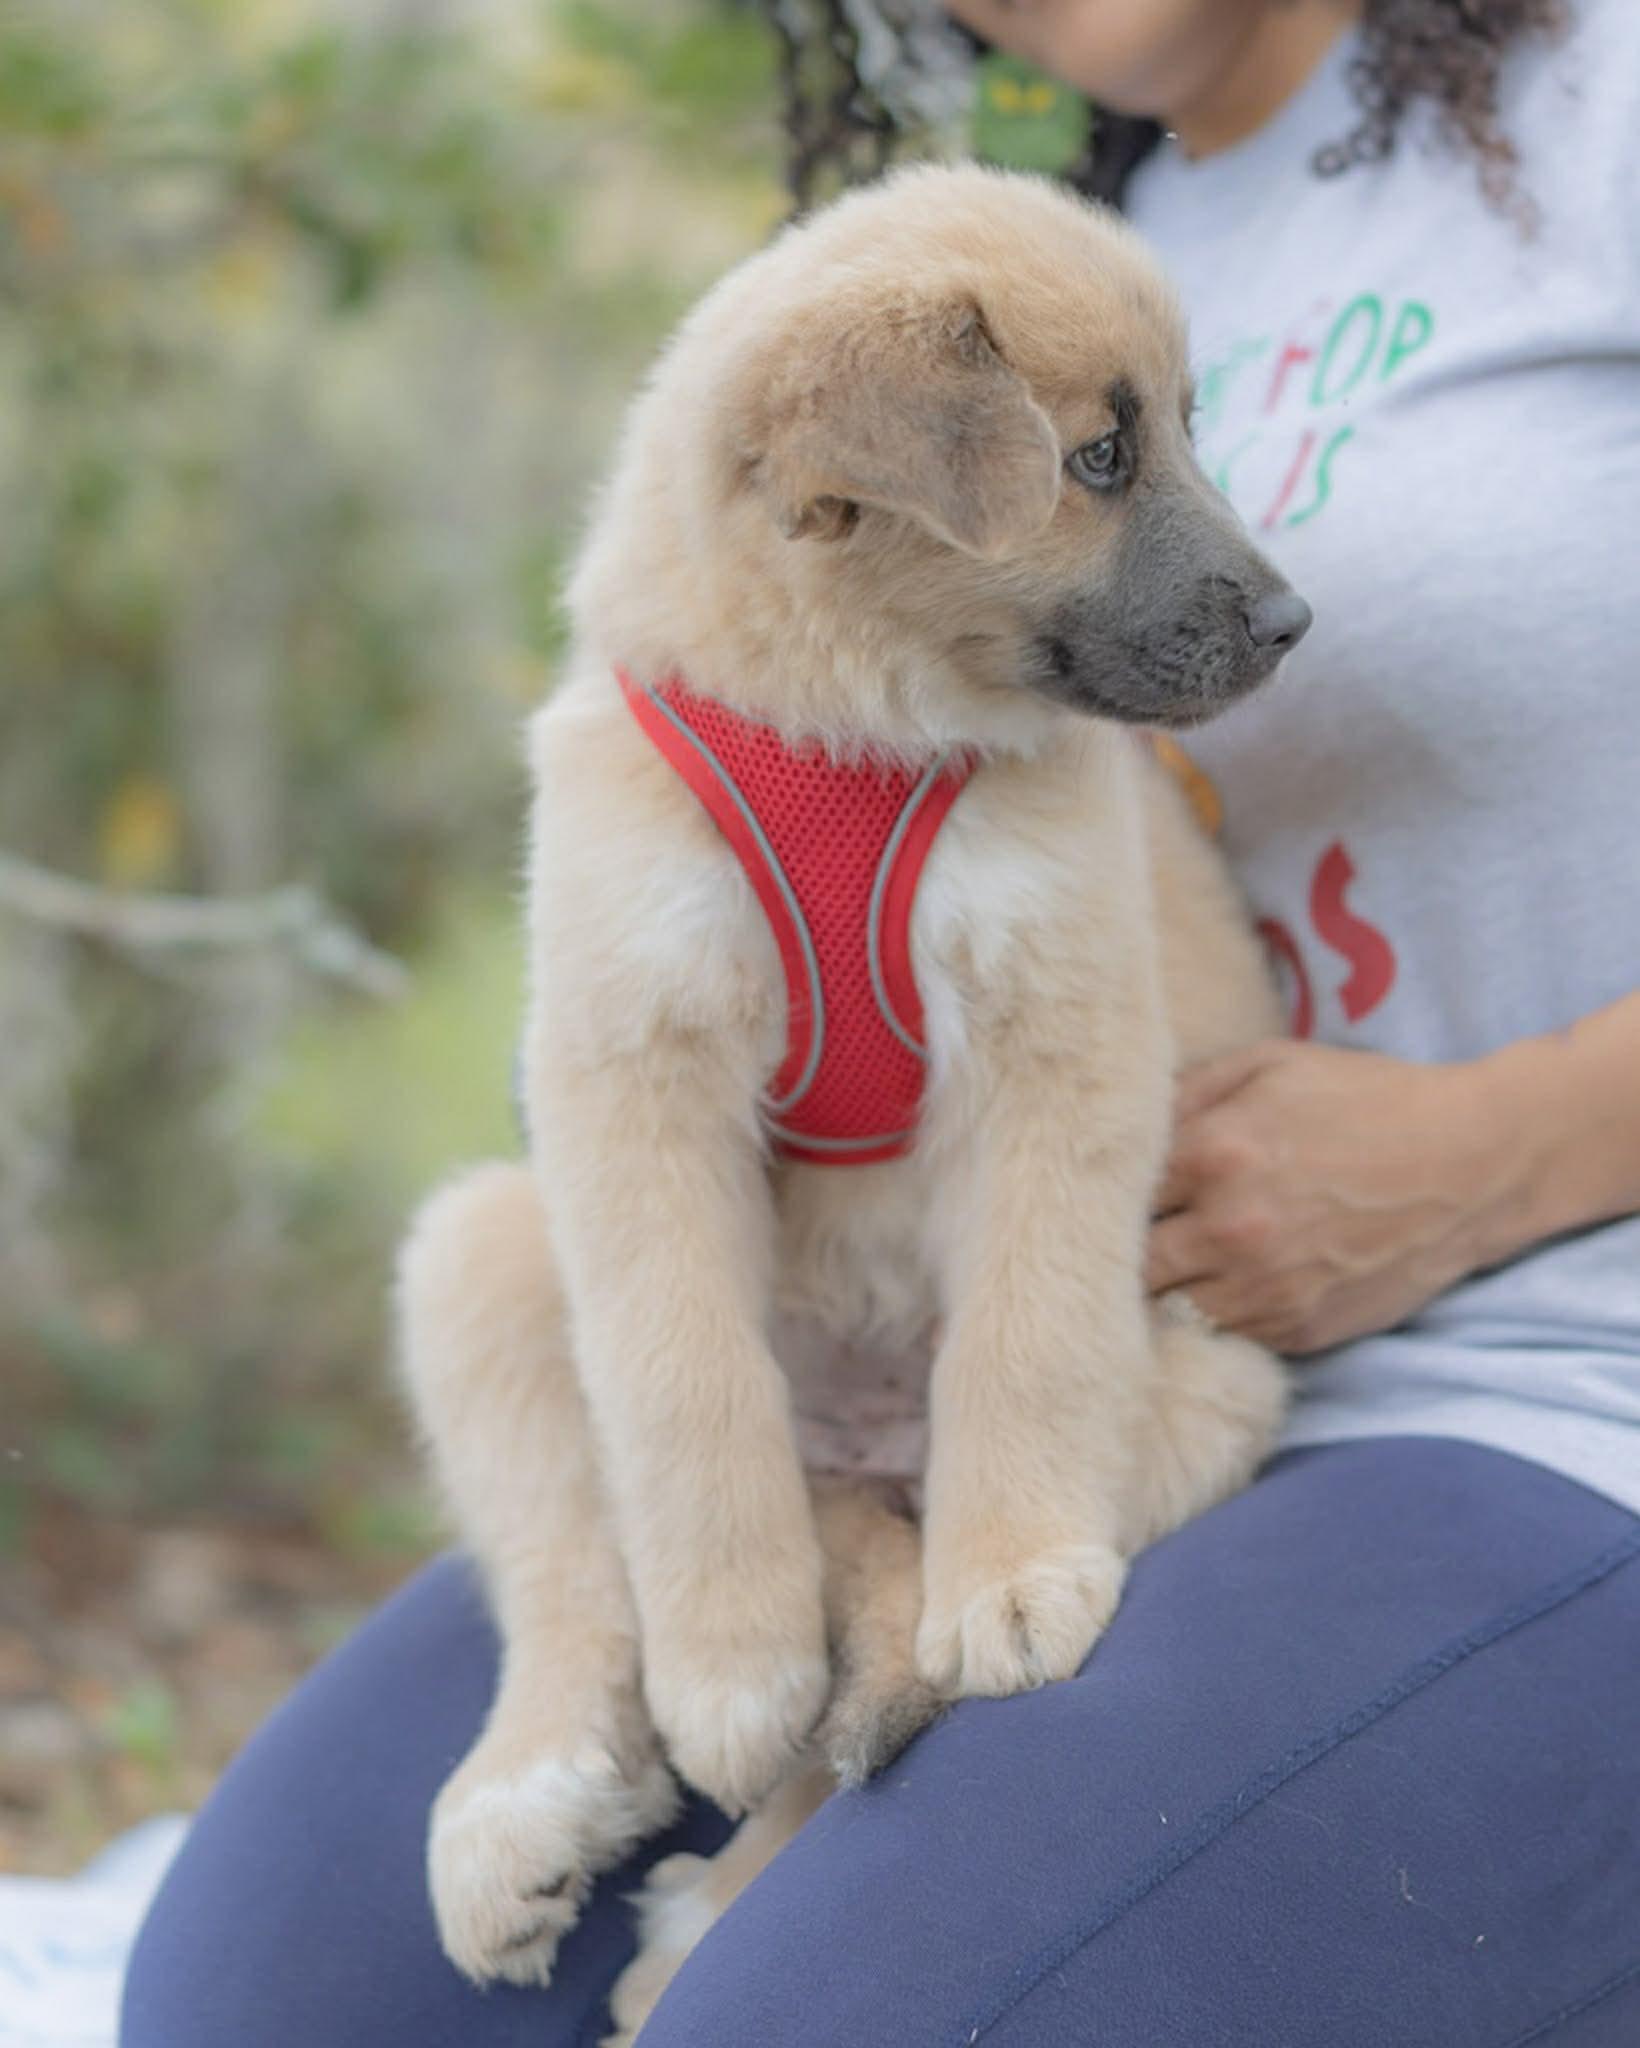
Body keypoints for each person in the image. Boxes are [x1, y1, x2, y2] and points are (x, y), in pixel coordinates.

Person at [121, 4, 1640, 2042]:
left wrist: (1495, 1155)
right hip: (987, 1339)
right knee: (286, 2003)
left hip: (1546, 1385)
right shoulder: (1046, 222)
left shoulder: (1601, 111)